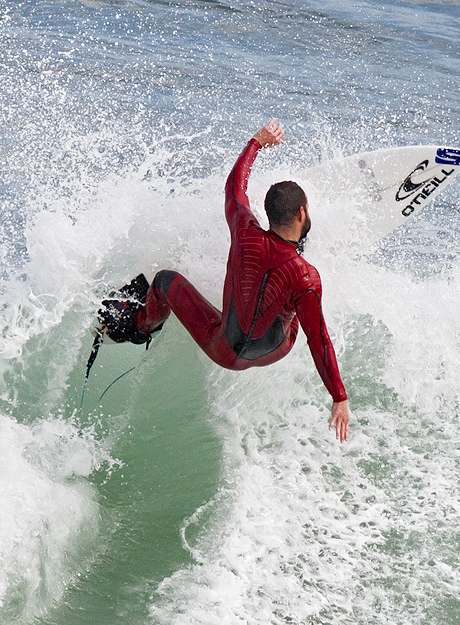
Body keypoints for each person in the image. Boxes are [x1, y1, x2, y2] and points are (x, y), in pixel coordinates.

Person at [96, 119, 350, 441]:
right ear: (301, 213)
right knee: (301, 303)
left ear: (268, 215)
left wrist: (256, 142)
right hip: (277, 349)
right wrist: (339, 397)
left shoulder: (244, 229)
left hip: (224, 350)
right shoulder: (307, 276)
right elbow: (320, 341)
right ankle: (296, 249)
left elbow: (234, 187)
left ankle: (137, 326)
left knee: (163, 281)